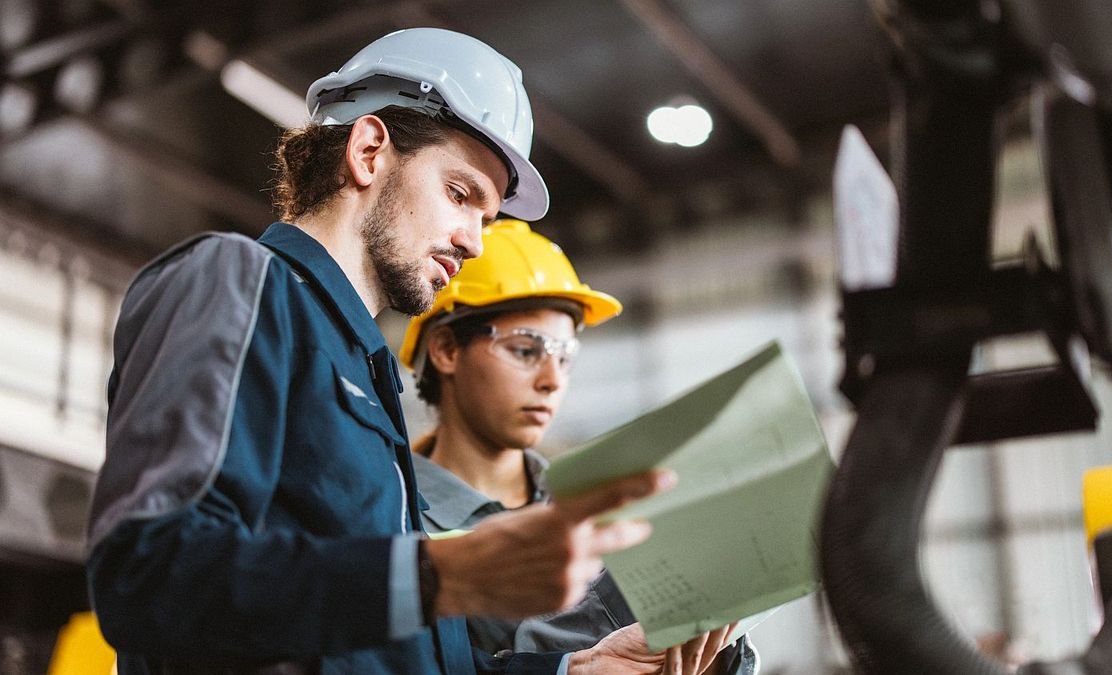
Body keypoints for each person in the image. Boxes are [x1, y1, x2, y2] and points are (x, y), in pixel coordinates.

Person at [85, 27, 675, 675]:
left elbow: (380, 655)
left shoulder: (365, 368)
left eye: (489, 217)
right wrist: (444, 575)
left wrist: (570, 671)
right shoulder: (240, 282)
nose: (476, 242)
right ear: (369, 152)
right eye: (460, 195)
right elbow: (150, 578)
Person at [398, 219, 758, 674]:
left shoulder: (601, 502)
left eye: (564, 357)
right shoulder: (394, 521)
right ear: (446, 350)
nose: (552, 381)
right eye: (526, 350)